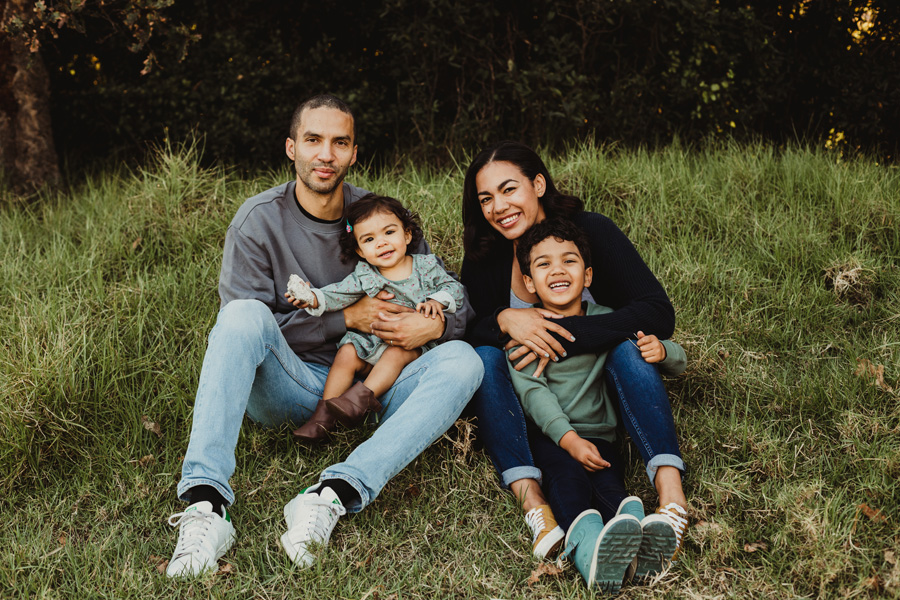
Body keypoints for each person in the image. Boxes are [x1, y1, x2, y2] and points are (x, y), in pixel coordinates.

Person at [165, 94, 482, 578]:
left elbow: (447, 294)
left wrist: (435, 323)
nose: (326, 154)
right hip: (292, 384)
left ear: (354, 153)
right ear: (291, 147)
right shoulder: (258, 222)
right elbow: (249, 331)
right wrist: (345, 318)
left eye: (340, 142)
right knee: (241, 315)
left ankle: (331, 493)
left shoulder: (379, 217)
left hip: (381, 382)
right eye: (313, 140)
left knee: (465, 360)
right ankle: (207, 504)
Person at [460, 141, 689, 562]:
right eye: (486, 198)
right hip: (529, 398)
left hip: (597, 392)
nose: (499, 207)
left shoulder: (589, 233)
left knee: (629, 348)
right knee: (485, 357)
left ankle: (671, 499)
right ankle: (534, 504)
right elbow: (468, 328)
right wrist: (506, 321)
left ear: (539, 184)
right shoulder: (487, 252)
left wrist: (566, 331)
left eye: (509, 189)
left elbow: (656, 312)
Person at [507, 219, 687, 593]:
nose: (557, 270)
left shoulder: (608, 320)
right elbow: (533, 393)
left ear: (587, 275)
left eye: (569, 261)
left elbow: (676, 360)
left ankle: (634, 549)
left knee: (611, 489)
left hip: (602, 437)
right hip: (552, 440)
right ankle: (590, 554)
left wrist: (663, 351)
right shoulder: (526, 332)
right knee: (569, 487)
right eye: (543, 264)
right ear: (528, 283)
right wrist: (568, 439)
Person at [286, 193, 465, 441]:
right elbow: (338, 294)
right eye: (369, 239)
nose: (381, 243)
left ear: (407, 235)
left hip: (411, 347)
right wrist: (313, 297)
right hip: (373, 344)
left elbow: (455, 289)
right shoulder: (365, 275)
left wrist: (438, 300)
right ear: (360, 250)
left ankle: (360, 400)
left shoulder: (426, 267)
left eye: (389, 233)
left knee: (395, 352)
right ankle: (323, 417)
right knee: (347, 351)